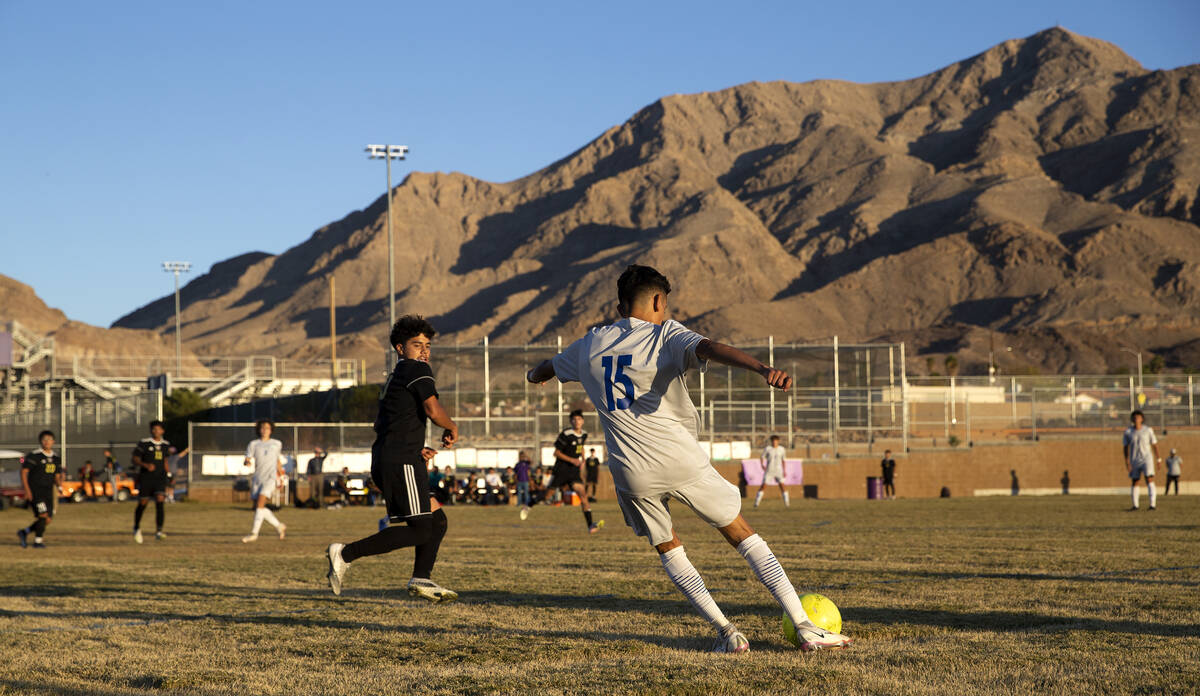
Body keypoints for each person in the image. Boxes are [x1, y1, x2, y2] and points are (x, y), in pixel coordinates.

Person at [525, 264, 851, 653]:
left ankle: (728, 633)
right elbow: (709, 348)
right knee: (741, 534)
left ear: (618, 307)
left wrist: (535, 375)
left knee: (669, 547)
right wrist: (762, 368)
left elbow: (545, 368)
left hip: (629, 471)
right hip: (678, 457)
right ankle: (804, 625)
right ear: (659, 300)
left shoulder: (589, 345)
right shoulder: (666, 333)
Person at [326, 315, 460, 603]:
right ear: (400, 348)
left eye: (427, 345)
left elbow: (391, 421)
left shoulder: (398, 374)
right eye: (416, 345)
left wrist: (415, 447)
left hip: (398, 456)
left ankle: (422, 577)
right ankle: (345, 553)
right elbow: (433, 410)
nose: (424, 351)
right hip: (400, 460)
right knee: (422, 528)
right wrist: (451, 426)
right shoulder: (415, 369)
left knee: (436, 521)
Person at [522, 409, 603, 533]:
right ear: (571, 421)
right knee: (547, 496)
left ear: (583, 421)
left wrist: (582, 459)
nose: (577, 422)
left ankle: (590, 525)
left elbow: (581, 447)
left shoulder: (584, 434)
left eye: (579, 419)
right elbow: (556, 453)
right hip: (562, 469)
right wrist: (572, 460)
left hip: (574, 471)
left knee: (583, 495)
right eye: (574, 419)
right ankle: (530, 502)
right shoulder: (566, 434)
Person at [241, 420, 288, 543]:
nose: (265, 430)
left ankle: (254, 534)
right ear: (259, 429)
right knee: (259, 507)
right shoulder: (253, 444)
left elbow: (277, 461)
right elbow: (247, 458)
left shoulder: (277, 443)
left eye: (267, 428)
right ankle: (279, 526)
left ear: (271, 430)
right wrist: (247, 462)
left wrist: (281, 477)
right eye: (262, 428)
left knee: (261, 504)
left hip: (270, 477)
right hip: (258, 478)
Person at [17, 430, 62, 549]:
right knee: (43, 515)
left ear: (53, 441)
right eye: (44, 439)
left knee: (48, 519)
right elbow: (24, 472)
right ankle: (38, 542)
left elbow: (57, 476)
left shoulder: (56, 458)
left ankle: (25, 532)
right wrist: (27, 490)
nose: (47, 442)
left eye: (49, 439)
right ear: (41, 441)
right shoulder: (34, 456)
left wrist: (60, 486)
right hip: (36, 491)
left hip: (49, 492)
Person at [132, 421, 172, 543]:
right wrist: (145, 464)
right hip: (146, 478)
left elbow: (165, 461)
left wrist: (169, 477)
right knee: (143, 503)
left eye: (158, 429)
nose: (156, 431)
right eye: (154, 429)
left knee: (160, 499)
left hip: (160, 478)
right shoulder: (144, 443)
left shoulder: (166, 445)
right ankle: (137, 527)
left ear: (162, 431)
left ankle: (159, 531)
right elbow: (135, 459)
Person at [1123, 410, 1161, 511]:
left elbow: (1154, 445)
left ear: (1142, 419)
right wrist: (1127, 462)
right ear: (1132, 419)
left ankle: (1152, 504)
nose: (1136, 419)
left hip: (1146, 459)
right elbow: (1125, 447)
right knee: (1135, 481)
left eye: (1138, 417)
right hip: (1134, 459)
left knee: (1149, 479)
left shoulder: (1148, 430)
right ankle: (1135, 505)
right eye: (1134, 418)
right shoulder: (1128, 432)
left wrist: (1158, 459)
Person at [754, 435, 789, 508]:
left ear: (778, 441)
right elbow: (762, 457)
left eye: (776, 441)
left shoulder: (781, 449)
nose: (774, 442)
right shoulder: (768, 449)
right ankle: (757, 503)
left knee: (782, 486)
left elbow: (783, 460)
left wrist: (784, 470)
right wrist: (762, 465)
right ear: (771, 441)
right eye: (773, 441)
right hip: (769, 470)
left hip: (778, 470)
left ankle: (787, 503)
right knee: (763, 486)